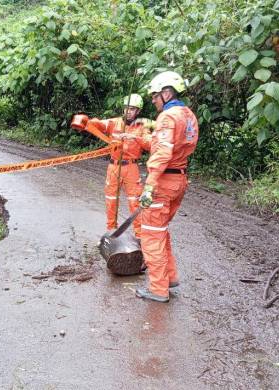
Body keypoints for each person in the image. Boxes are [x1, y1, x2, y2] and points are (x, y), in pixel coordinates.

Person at [134, 71, 199, 303]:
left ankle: (158, 289)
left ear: (167, 92)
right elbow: (174, 144)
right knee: (161, 231)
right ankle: (169, 278)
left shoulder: (167, 117)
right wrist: (141, 137)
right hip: (179, 179)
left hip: (162, 182)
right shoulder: (188, 115)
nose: (152, 100)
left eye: (154, 96)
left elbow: (162, 152)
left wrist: (150, 185)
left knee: (151, 234)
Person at [71, 94, 154, 237]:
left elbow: (150, 144)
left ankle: (140, 236)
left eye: (132, 109)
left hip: (131, 168)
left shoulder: (142, 127)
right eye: (126, 108)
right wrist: (85, 121)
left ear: (138, 111)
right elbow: (98, 124)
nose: (128, 111)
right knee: (111, 201)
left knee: (135, 202)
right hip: (114, 167)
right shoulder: (113, 122)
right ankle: (111, 232)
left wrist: (135, 137)